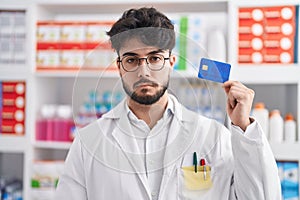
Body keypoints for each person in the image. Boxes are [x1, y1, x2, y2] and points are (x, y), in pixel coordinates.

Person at [55, 7, 281, 200]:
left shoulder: (211, 136)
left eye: (154, 58)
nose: (144, 71)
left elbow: (260, 196)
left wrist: (243, 127)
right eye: (132, 59)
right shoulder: (89, 143)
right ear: (120, 67)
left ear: (171, 62)